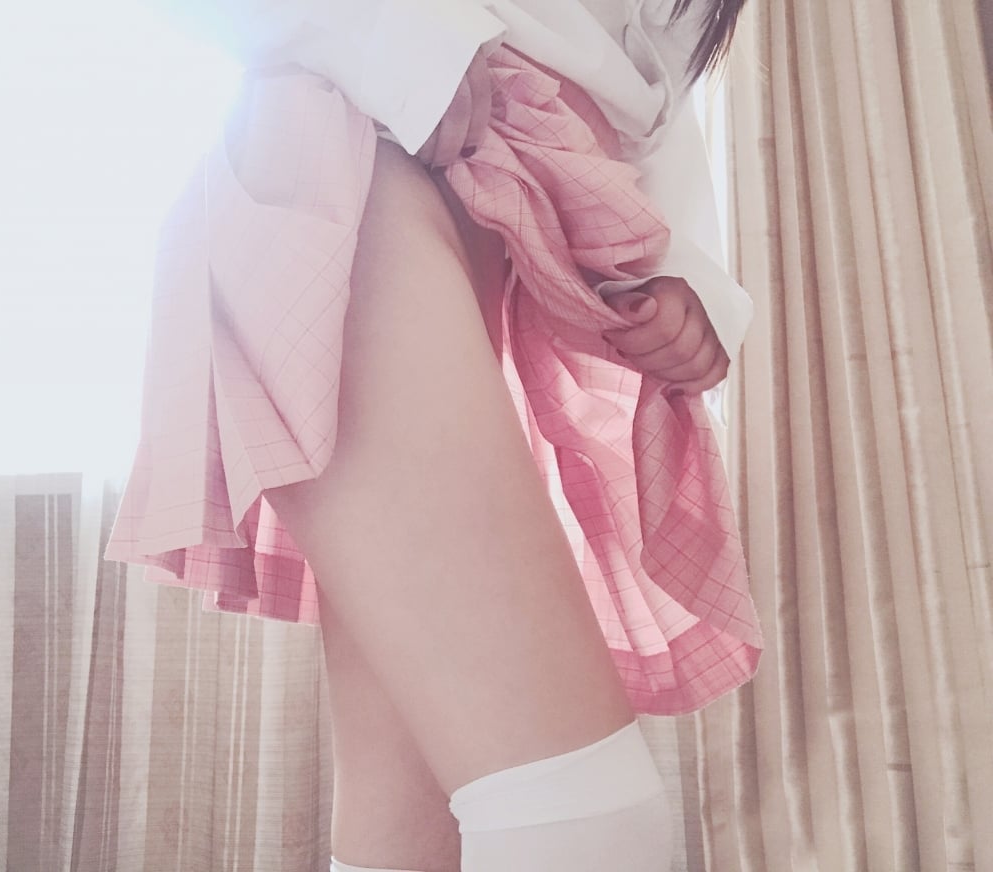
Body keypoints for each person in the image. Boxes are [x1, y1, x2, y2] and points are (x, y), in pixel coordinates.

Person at [108, 1, 764, 869]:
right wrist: (397, 39)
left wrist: (681, 272)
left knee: (413, 842)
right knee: (582, 820)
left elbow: (647, 90)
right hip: (357, 183)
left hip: (471, 243)